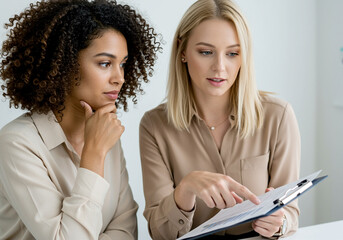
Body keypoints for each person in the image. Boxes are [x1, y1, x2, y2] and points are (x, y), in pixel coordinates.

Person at [139, 0, 300, 239]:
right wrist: (186, 189)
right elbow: (160, 233)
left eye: (233, 53)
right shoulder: (154, 126)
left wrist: (280, 223)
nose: (220, 67)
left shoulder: (278, 116)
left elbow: (291, 213)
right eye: (206, 52)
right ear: (182, 51)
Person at [0, 0, 161, 239]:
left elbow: (126, 230)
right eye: (105, 63)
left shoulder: (106, 134)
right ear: (64, 64)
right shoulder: (17, 143)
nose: (120, 78)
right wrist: (94, 156)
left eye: (123, 64)